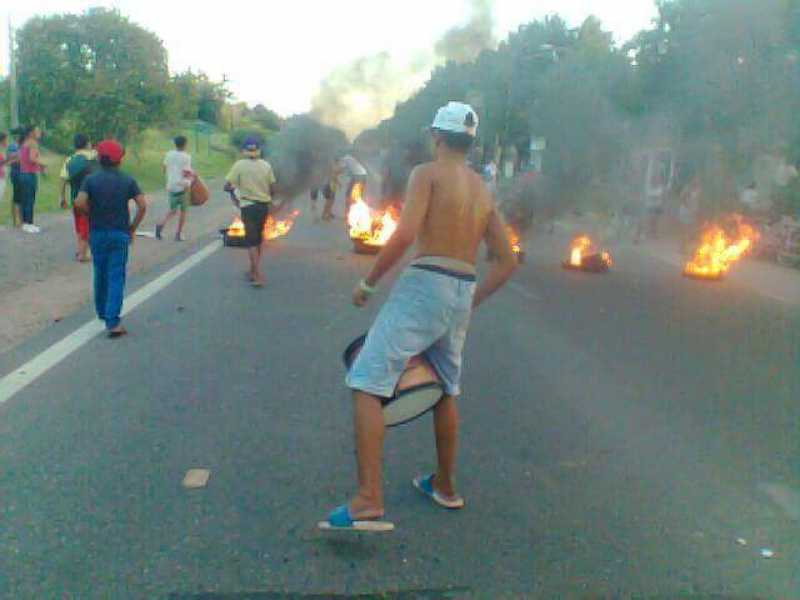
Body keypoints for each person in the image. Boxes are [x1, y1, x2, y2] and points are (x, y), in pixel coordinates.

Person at [320, 102, 518, 531]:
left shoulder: (426, 173)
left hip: (426, 280)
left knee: (367, 381)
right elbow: (506, 261)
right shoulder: (483, 191)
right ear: (470, 141)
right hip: (461, 287)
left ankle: (368, 500)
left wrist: (369, 283)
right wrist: (469, 301)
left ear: (437, 137)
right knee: (445, 386)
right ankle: (445, 485)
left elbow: (407, 232)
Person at [74, 140, 147, 338]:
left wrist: (90, 214)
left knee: (100, 272)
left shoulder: (90, 180)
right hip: (119, 233)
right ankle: (113, 321)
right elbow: (142, 205)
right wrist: (132, 227)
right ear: (119, 159)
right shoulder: (127, 180)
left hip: (97, 233)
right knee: (116, 275)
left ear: (99, 158)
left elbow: (79, 202)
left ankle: (102, 311)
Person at [224, 137, 281, 288]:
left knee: (251, 242)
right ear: (258, 150)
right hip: (263, 207)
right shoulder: (266, 165)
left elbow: (228, 184)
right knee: (258, 240)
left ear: (244, 150)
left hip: (248, 206)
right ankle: (252, 270)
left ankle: (257, 275)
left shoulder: (239, 165)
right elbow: (273, 188)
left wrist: (231, 189)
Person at [59, 134, 97, 262]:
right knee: (89, 225)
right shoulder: (94, 157)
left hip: (75, 197)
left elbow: (63, 179)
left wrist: (62, 197)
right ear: (87, 144)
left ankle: (80, 250)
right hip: (93, 198)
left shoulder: (69, 160)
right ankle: (83, 254)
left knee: (80, 224)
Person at [156, 136, 194, 241]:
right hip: (183, 186)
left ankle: (161, 224)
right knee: (183, 211)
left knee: (172, 210)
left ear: (175, 144)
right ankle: (178, 233)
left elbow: (164, 169)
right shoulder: (186, 157)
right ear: (185, 144)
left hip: (171, 186)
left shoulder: (169, 154)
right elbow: (187, 172)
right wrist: (192, 177)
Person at [18, 126, 46, 234]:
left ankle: (25, 223)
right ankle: (30, 224)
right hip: (30, 174)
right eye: (37, 131)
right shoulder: (33, 143)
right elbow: (32, 158)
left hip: (23, 173)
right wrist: (43, 164)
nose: (39, 132)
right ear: (31, 133)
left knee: (25, 199)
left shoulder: (24, 142)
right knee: (30, 199)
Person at [339, 153, 368, 218]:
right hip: (362, 176)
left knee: (349, 195)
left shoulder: (345, 159)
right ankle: (355, 214)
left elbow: (341, 169)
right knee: (358, 196)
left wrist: (334, 173)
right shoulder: (351, 158)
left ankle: (348, 214)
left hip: (357, 177)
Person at [7, 130, 22, 227]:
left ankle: (21, 220)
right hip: (16, 173)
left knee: (22, 197)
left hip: (23, 173)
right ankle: (15, 220)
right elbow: (10, 157)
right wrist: (20, 155)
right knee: (16, 197)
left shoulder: (23, 146)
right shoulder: (12, 146)